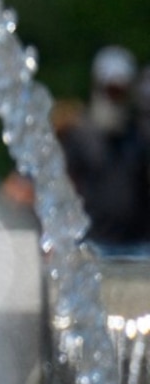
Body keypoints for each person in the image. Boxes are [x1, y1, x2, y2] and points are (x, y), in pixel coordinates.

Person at [61, 47, 150, 251]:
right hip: (94, 243)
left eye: (120, 92)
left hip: (137, 245)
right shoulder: (79, 137)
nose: (114, 99)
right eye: (110, 91)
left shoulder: (139, 138)